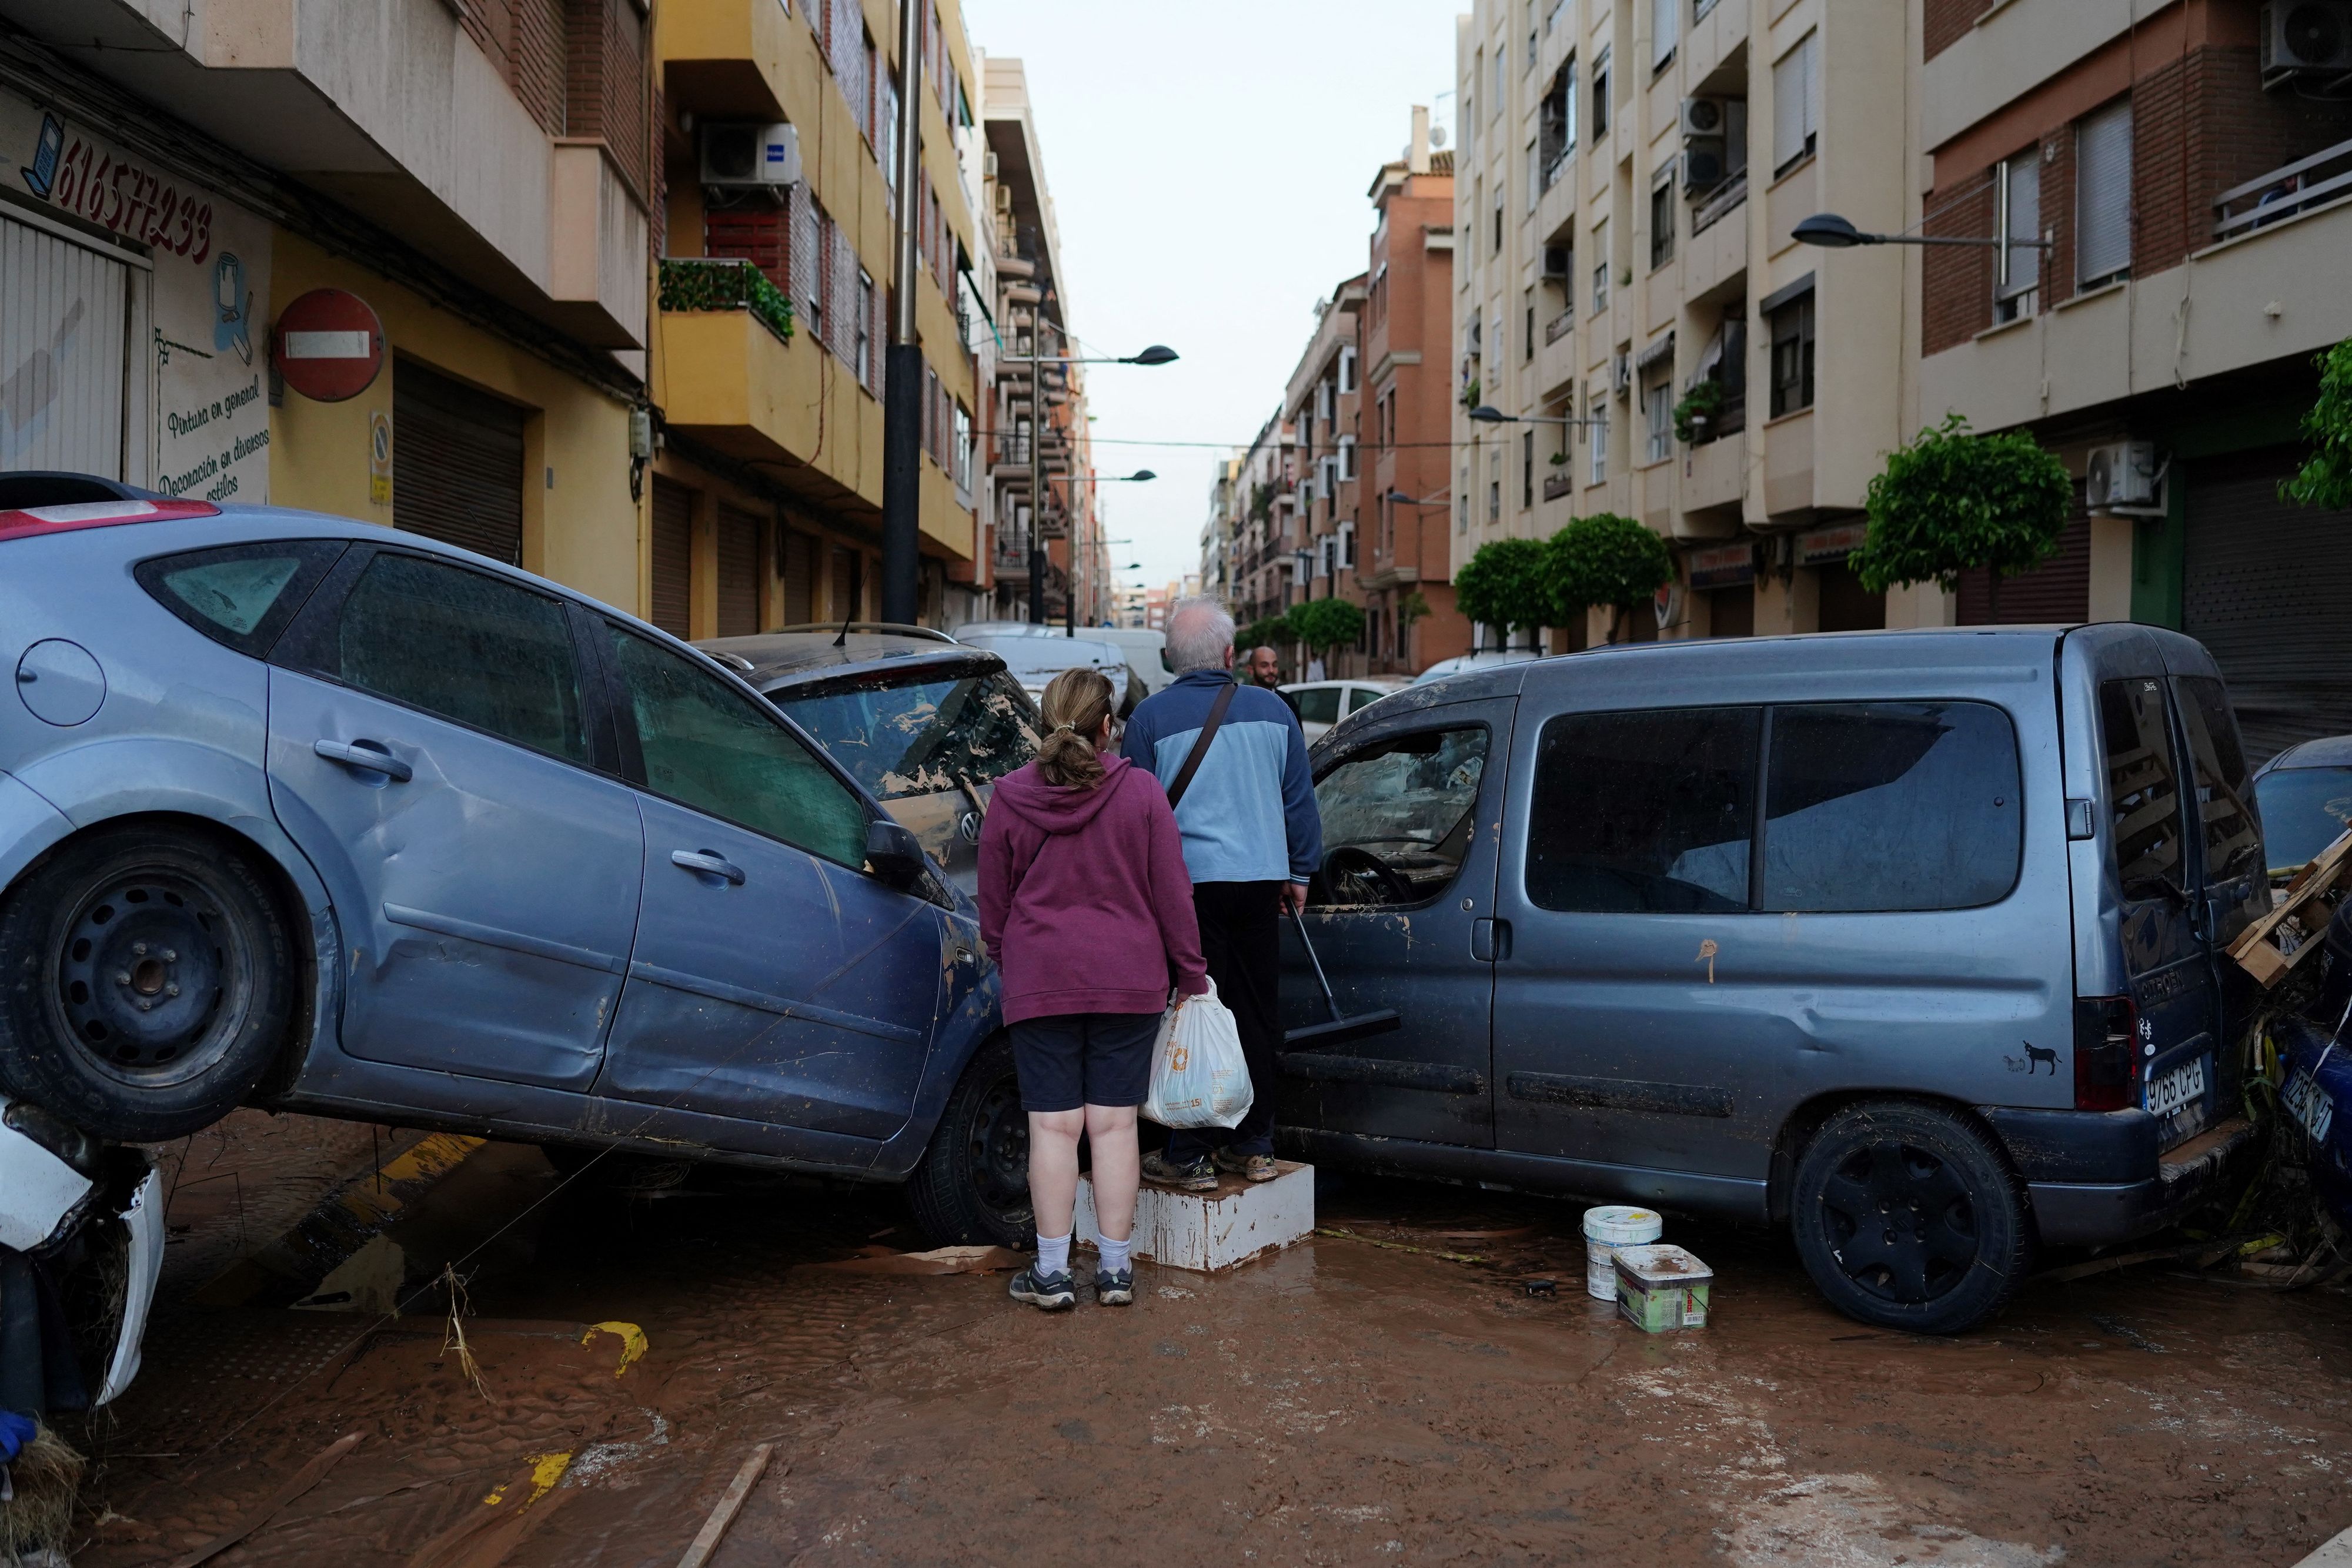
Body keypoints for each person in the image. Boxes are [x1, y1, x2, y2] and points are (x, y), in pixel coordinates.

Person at [979, 667, 1210, 1310]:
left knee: (1051, 1128)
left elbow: (992, 905)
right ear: (1108, 727)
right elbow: (1173, 894)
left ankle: (1051, 1274)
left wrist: (1011, 955)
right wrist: (1190, 974)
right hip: (1127, 979)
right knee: (1113, 1128)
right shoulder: (1140, 794)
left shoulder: (1008, 798)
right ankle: (1114, 1273)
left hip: (1039, 977)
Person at [1120, 598, 1321, 1189]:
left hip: (1186, 891)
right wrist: (1300, 873)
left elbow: (1136, 816)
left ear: (1171, 659)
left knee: (1194, 1012)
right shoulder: (1273, 711)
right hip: (1260, 883)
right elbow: (1298, 802)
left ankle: (1189, 1153)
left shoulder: (1149, 719)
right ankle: (1255, 1146)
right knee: (1256, 1014)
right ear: (1231, 655)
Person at [1244, 644, 1299, 716]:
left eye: (1275, 665)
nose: (1271, 670)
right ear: (1251, 670)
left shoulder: (1287, 701)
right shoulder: (1243, 701)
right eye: (1264, 666)